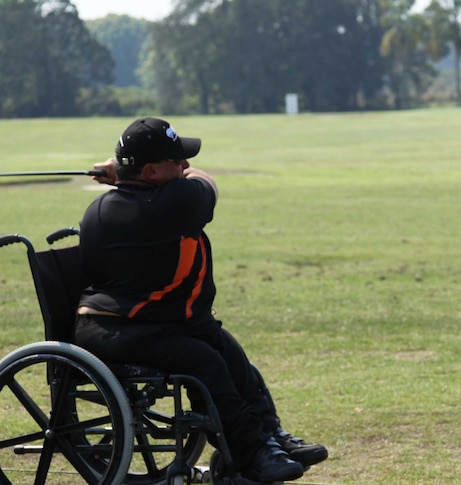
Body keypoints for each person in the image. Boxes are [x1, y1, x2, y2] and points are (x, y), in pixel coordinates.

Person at [74, 117, 327, 483]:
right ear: (151, 171)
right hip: (118, 327)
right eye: (177, 161)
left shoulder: (106, 208)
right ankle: (249, 453)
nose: (186, 166)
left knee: (224, 346)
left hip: (144, 319)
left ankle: (268, 435)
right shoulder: (170, 203)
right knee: (203, 359)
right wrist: (125, 173)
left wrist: (126, 174)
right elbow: (206, 182)